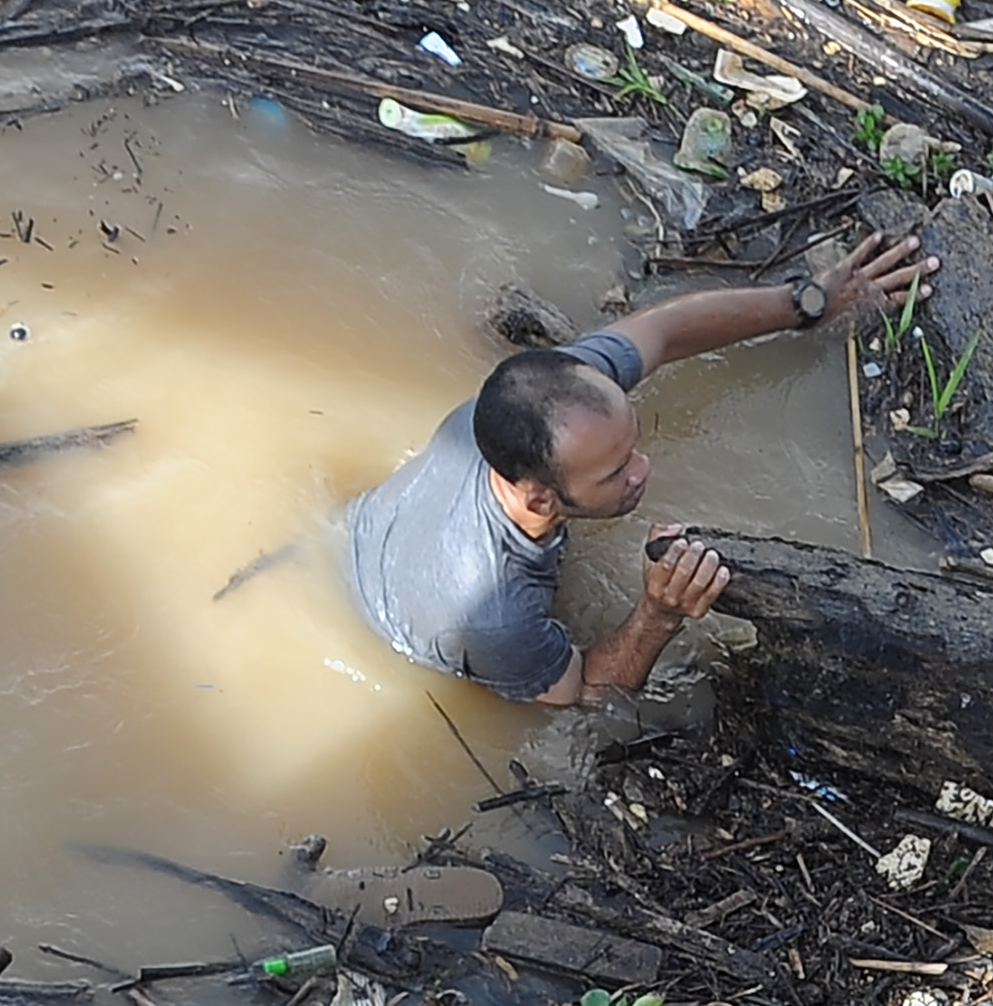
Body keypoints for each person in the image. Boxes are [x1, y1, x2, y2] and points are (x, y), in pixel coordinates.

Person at [343, 228, 933, 704]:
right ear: (541, 498)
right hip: (398, 619)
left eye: (633, 444)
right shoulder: (497, 617)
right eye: (614, 473)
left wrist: (809, 303)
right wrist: (659, 613)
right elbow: (585, 695)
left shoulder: (539, 403)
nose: (643, 470)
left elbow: (663, 331)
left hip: (374, 530)